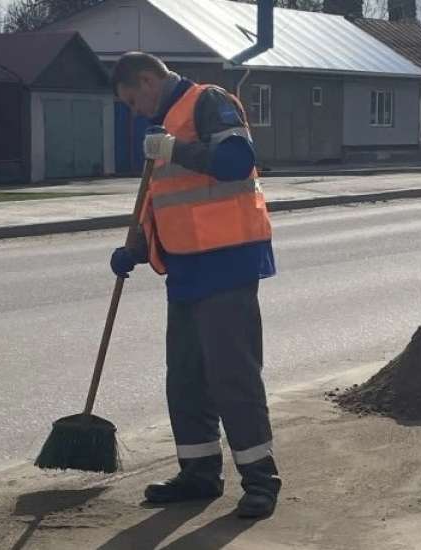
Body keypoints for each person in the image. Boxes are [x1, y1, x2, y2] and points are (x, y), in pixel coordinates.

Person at [108, 52, 280, 519]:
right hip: (186, 269)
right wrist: (137, 248)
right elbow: (166, 199)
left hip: (227, 262)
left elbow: (236, 161)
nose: (134, 110)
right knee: (185, 378)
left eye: (132, 100)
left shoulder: (210, 102)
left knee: (232, 376)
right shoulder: (162, 125)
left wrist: (174, 149)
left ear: (147, 80)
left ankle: (261, 480)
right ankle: (200, 473)